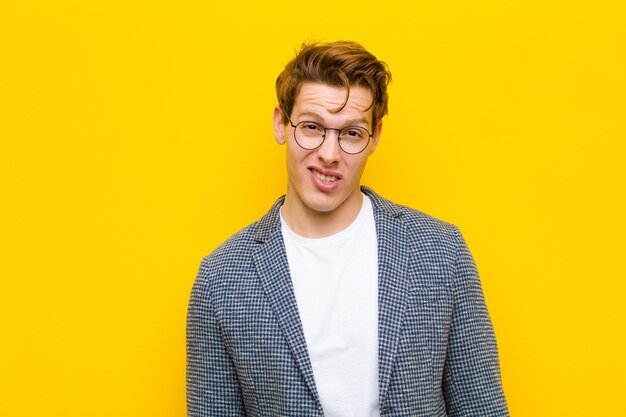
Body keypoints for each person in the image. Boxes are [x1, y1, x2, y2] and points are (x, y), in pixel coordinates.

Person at [186, 40, 509, 416]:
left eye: (351, 133)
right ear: (281, 124)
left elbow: (482, 407)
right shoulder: (221, 279)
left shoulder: (441, 251)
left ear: (375, 139)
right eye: (311, 127)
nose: (329, 153)